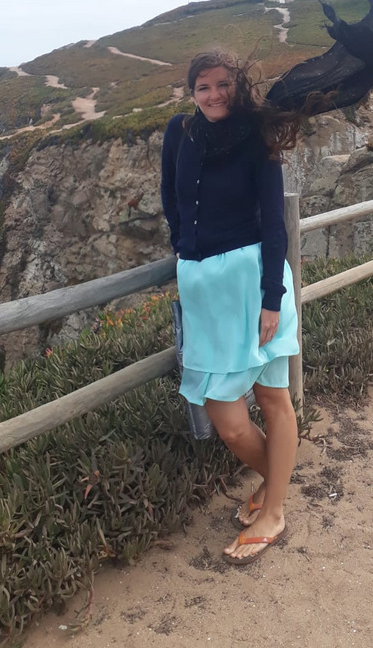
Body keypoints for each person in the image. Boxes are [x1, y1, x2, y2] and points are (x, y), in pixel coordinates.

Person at [161, 49, 301, 566]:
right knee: (228, 420)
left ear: (238, 87)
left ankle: (274, 510)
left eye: (223, 84)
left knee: (272, 399)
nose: (214, 94)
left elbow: (273, 225)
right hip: (203, 290)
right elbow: (170, 196)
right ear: (192, 92)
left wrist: (271, 299)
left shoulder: (258, 135)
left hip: (251, 283)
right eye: (204, 86)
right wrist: (184, 247)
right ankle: (276, 482)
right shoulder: (179, 132)